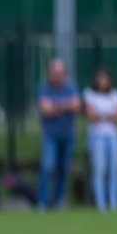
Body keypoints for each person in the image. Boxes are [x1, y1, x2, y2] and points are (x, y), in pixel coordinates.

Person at [35, 58, 80, 210]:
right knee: (47, 167)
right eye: (54, 72)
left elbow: (75, 106)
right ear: (50, 73)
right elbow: (45, 110)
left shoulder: (71, 87)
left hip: (67, 135)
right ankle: (42, 201)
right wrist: (65, 105)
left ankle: (58, 201)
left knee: (63, 168)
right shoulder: (43, 88)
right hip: (50, 135)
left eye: (60, 73)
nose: (57, 75)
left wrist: (55, 106)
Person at [82, 68, 117, 212]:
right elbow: (91, 115)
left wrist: (102, 116)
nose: (103, 82)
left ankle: (113, 204)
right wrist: (108, 116)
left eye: (105, 78)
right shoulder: (89, 94)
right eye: (100, 78)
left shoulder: (115, 95)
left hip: (112, 136)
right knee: (99, 170)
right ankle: (101, 204)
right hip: (97, 136)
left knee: (114, 170)